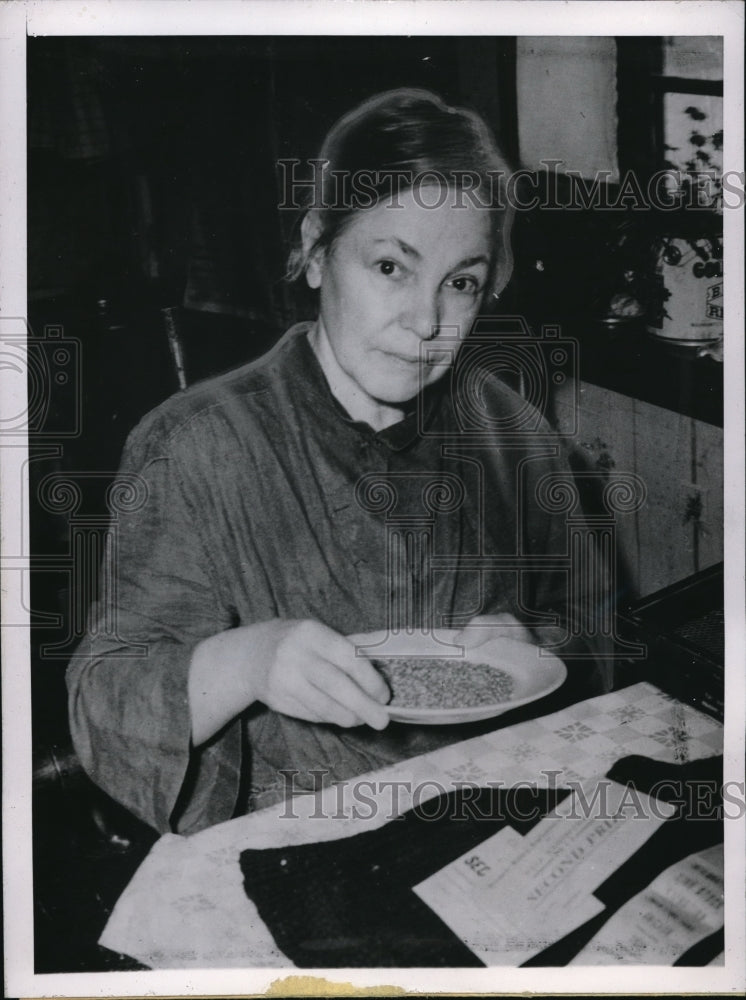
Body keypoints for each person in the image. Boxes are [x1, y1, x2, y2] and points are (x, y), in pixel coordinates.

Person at [67, 89, 603, 836]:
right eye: (390, 266)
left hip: (495, 816)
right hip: (299, 843)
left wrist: (536, 640)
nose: (426, 322)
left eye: (461, 283)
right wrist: (246, 661)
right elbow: (105, 702)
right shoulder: (195, 447)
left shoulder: (510, 431)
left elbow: (595, 625)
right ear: (318, 250)